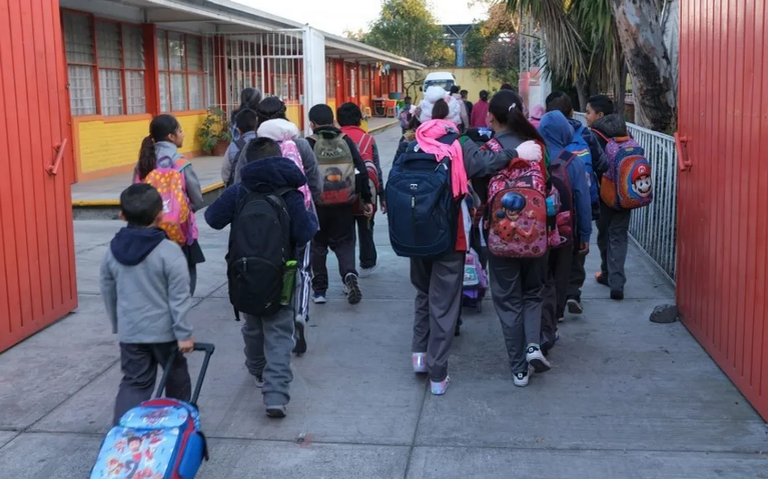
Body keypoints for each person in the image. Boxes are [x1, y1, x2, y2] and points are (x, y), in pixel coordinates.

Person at [393, 97, 542, 395]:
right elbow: (483, 164)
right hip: (450, 235)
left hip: (415, 233)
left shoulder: (412, 142)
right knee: (444, 305)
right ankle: (438, 376)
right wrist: (517, 153)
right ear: (456, 119)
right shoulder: (459, 143)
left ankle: (419, 357)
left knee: (423, 294)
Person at [204, 138, 318, 418]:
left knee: (253, 326)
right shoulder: (290, 192)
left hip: (244, 273)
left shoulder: (239, 191)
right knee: (279, 333)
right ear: (280, 159)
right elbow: (305, 232)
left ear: (247, 162)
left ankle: (257, 370)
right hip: (283, 275)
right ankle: (275, 396)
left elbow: (212, 219)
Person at [101, 183, 195, 425]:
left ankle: (123, 429)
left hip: (131, 331)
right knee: (176, 376)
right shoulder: (169, 251)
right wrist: (184, 333)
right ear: (161, 215)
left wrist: (118, 323)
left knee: (135, 382)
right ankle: (177, 422)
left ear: (122, 215)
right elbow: (179, 295)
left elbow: (108, 289)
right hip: (165, 334)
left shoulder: (113, 251)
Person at [481, 89, 550, 387]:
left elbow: (477, 183)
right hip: (536, 234)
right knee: (533, 293)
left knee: (508, 301)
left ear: (491, 117)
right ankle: (533, 345)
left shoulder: (490, 149)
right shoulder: (538, 145)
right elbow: (548, 185)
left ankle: (519, 370)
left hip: (500, 238)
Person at [252, 96, 322, 355]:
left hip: (265, 218)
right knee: (302, 268)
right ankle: (300, 313)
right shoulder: (300, 143)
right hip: (299, 212)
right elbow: (314, 179)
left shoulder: (254, 146)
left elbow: (238, 182)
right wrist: (311, 202)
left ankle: (273, 309)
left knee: (270, 264)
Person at [545, 91, 609, 314]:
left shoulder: (537, 148)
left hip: (546, 216)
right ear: (572, 112)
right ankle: (572, 293)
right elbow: (602, 164)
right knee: (574, 253)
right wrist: (585, 234)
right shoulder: (584, 137)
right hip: (576, 211)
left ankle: (552, 303)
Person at [307, 104, 374, 305]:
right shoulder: (345, 140)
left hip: (317, 205)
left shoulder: (309, 143)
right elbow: (361, 170)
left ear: (312, 124)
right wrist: (366, 198)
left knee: (318, 246)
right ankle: (349, 274)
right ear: (333, 121)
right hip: (344, 202)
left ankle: (320, 291)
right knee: (344, 242)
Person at [537, 110, 592, 351]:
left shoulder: (533, 157)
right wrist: (585, 235)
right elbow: (583, 201)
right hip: (564, 230)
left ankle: (537, 319)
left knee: (539, 276)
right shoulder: (573, 161)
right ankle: (554, 319)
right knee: (560, 276)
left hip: (535, 229)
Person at [134, 114, 205, 295]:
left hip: (149, 229)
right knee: (186, 272)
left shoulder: (143, 163)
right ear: (171, 137)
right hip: (180, 230)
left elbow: (135, 195)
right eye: (180, 130)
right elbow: (197, 199)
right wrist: (178, 211)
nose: (183, 134)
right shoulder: (180, 163)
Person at [337, 102, 385, 277]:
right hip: (367, 193)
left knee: (346, 232)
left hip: (342, 192)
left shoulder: (336, 139)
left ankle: (348, 268)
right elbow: (376, 168)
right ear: (359, 119)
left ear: (339, 120)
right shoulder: (368, 139)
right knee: (366, 227)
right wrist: (381, 195)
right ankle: (367, 260)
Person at [591, 110, 631, 301]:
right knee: (619, 237)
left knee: (604, 234)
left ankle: (606, 273)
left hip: (605, 196)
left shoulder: (597, 137)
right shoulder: (629, 139)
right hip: (625, 195)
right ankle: (617, 283)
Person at [221, 108, 257, 186]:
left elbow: (225, 174)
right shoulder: (264, 143)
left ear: (238, 129)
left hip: (238, 189)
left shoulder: (233, 147)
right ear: (256, 126)